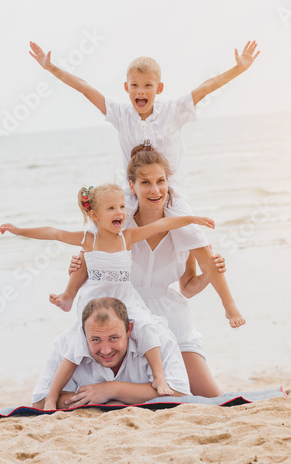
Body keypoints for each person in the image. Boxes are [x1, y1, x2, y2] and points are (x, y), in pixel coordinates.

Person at [29, 40, 259, 327]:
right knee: (96, 232)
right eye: (135, 85)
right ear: (126, 88)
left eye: (148, 85)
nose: (141, 91)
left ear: (158, 89)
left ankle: (229, 305)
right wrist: (51, 67)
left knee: (199, 241)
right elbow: (85, 88)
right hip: (131, 191)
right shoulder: (120, 113)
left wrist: (238, 68)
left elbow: (206, 87)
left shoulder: (173, 109)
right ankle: (69, 293)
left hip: (168, 192)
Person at [0, 183, 214, 400]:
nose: (119, 212)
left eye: (121, 206)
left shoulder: (127, 237)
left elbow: (162, 224)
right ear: (94, 215)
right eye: (111, 208)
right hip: (95, 299)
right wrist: (19, 230)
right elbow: (54, 233)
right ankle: (52, 396)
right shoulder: (88, 240)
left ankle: (159, 377)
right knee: (78, 341)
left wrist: (192, 219)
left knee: (147, 326)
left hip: (125, 297)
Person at [64, 145, 226, 397]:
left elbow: (188, 288)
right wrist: (73, 278)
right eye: (146, 182)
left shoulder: (182, 229)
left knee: (212, 397)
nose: (155, 190)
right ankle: (114, 388)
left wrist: (209, 272)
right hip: (124, 321)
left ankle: (117, 389)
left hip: (174, 322)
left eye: (161, 181)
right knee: (94, 391)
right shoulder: (117, 226)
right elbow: (90, 263)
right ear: (132, 186)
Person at [32, 297, 191, 410]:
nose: (106, 350)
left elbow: (180, 394)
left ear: (129, 329)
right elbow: (40, 402)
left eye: (114, 338)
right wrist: (102, 404)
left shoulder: (157, 337)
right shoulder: (67, 343)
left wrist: (112, 390)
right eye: (95, 340)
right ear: (84, 334)